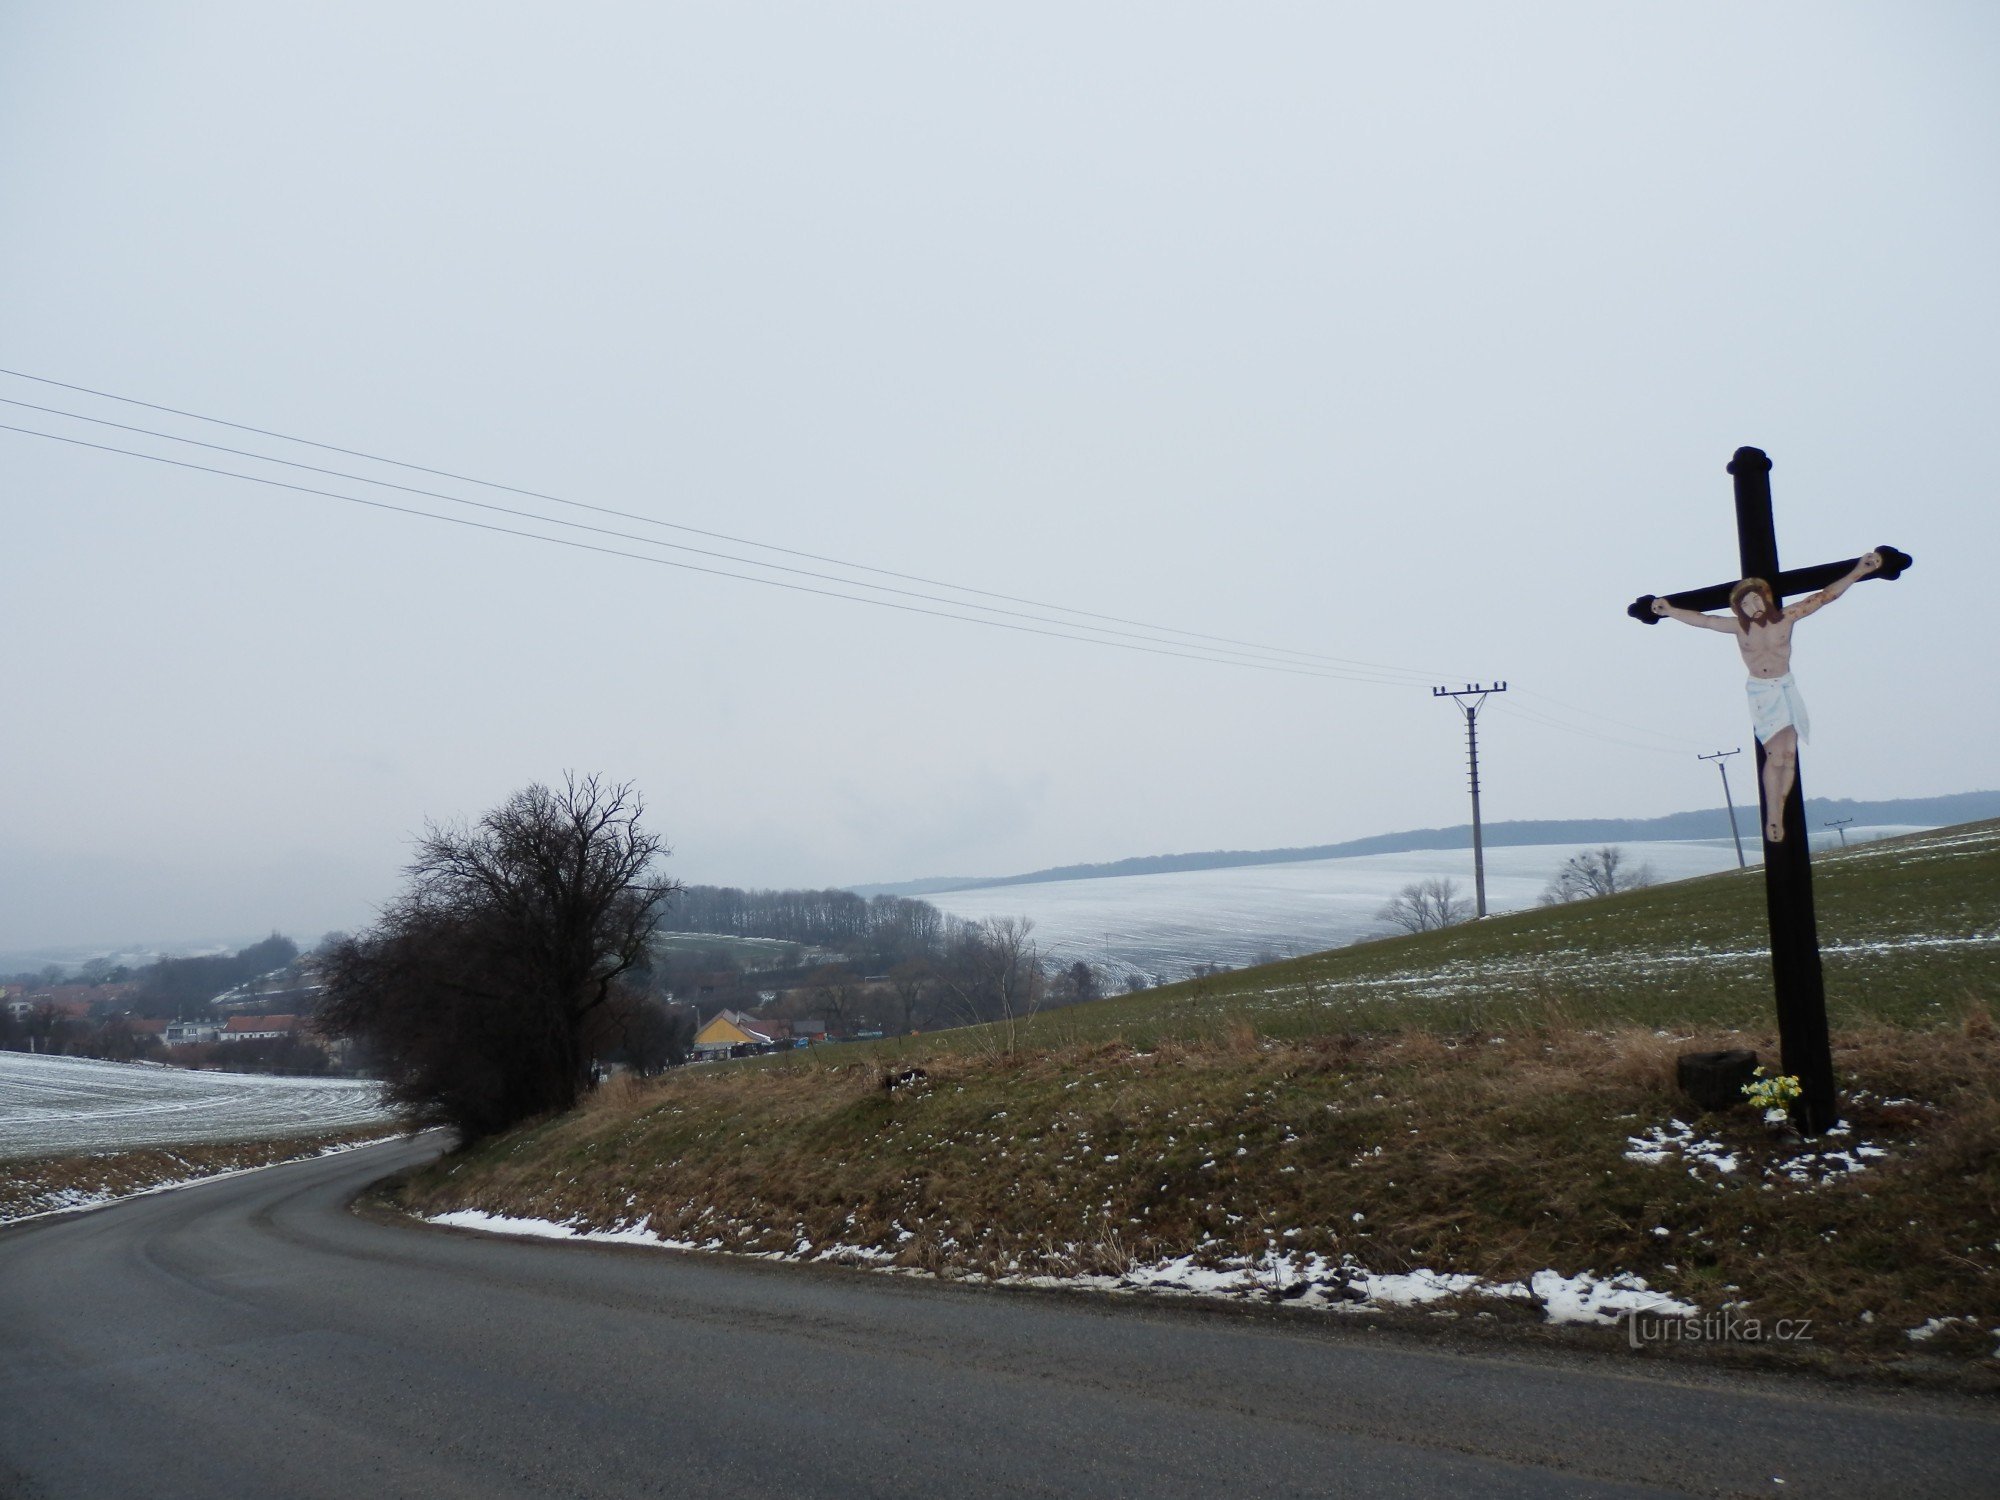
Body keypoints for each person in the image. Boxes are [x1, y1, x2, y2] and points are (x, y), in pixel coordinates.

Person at [1651, 551, 1882, 841]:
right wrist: (1670, 611)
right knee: (1774, 756)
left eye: (1756, 599)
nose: (1752, 606)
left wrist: (1859, 570)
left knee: (1788, 755)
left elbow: (1824, 597)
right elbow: (1704, 620)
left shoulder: (1786, 618)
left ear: (1766, 597)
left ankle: (1781, 811)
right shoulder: (1738, 628)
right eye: (1745, 603)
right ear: (1739, 609)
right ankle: (1773, 817)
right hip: (1762, 692)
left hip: (1785, 686)